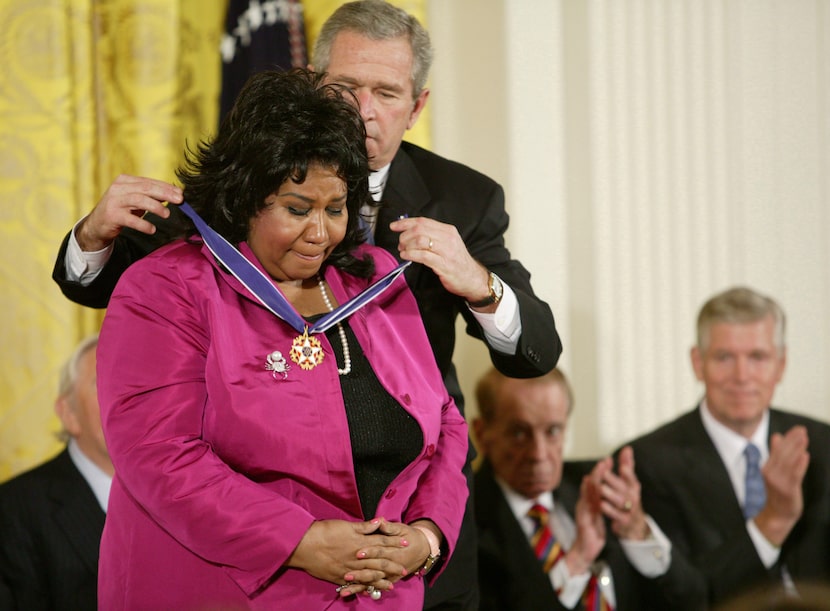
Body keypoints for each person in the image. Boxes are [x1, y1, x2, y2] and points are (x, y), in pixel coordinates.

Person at [50, 2, 561, 608]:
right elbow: (128, 295)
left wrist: (477, 282)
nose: (364, 111)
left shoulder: (460, 201)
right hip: (243, 565)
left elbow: (524, 360)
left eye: (387, 92)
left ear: (417, 105)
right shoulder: (229, 195)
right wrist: (88, 240)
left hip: (414, 543)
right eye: (347, 87)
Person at [95, 68, 468, 610]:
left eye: (335, 208)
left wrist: (427, 537)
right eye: (297, 209)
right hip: (219, 592)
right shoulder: (168, 286)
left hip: (379, 596)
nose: (320, 233)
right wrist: (302, 542)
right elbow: (160, 456)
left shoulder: (375, 276)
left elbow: (446, 425)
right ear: (247, 197)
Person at [626, 286, 830, 609]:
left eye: (757, 357)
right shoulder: (648, 464)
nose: (741, 376)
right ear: (698, 363)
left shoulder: (823, 447)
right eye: (724, 357)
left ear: (781, 364)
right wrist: (772, 522)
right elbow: (683, 593)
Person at [472, 367, 700, 611]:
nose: (538, 454)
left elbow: (693, 599)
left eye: (553, 431)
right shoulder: (461, 522)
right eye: (519, 433)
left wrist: (638, 531)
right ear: (482, 433)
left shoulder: (601, 486)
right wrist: (577, 560)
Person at [0, 334, 112, 611]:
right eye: (104, 382)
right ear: (69, 413)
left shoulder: (188, 492)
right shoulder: (14, 509)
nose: (125, 397)